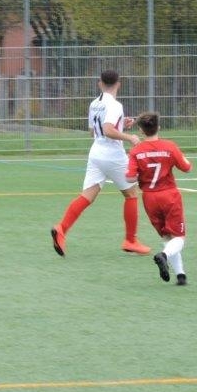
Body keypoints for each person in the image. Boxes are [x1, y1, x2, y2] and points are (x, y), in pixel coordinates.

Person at [50, 69, 151, 257]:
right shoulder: (115, 105)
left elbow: (94, 132)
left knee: (87, 195)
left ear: (100, 83)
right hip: (112, 154)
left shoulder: (94, 103)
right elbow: (108, 130)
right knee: (131, 194)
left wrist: (121, 125)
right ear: (118, 84)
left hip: (96, 152)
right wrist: (130, 137)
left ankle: (61, 228)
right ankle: (131, 241)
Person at [126, 111, 193, 286]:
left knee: (167, 237)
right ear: (159, 127)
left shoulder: (136, 151)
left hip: (149, 198)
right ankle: (163, 256)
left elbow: (130, 178)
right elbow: (187, 168)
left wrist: (141, 173)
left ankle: (181, 275)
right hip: (169, 195)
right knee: (179, 237)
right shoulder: (170, 146)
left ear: (141, 130)